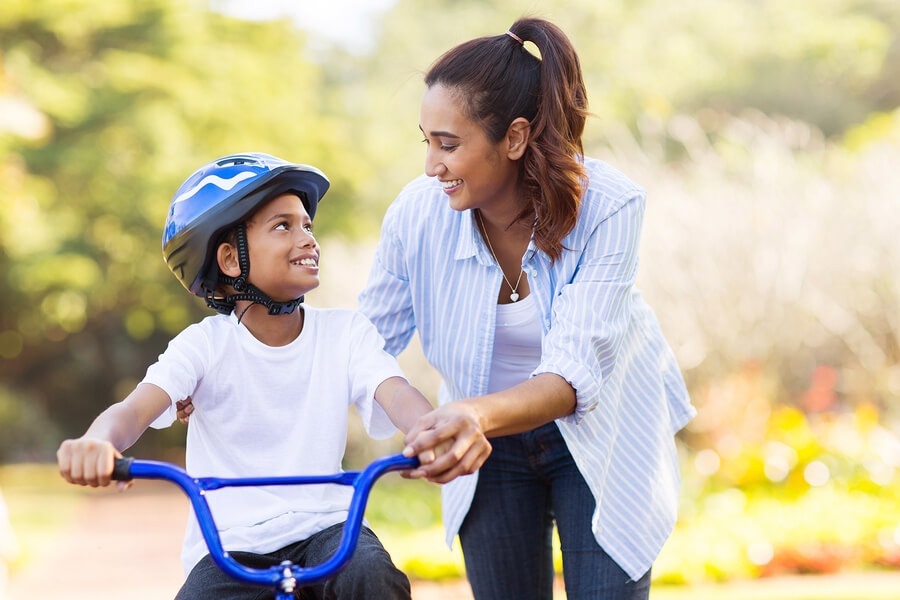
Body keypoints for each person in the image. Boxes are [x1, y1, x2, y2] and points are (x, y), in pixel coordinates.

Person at [358, 17, 698, 600]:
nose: (430, 166)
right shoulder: (416, 215)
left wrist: (471, 416)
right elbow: (361, 345)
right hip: (486, 448)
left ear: (513, 138)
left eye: (449, 144)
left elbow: (574, 374)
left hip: (602, 432)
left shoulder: (610, 208)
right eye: (427, 141)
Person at [56, 153, 443, 600]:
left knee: (373, 579)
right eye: (284, 226)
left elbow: (395, 393)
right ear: (230, 259)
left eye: (308, 225)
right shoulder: (202, 346)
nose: (308, 239)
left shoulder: (346, 332)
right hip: (230, 545)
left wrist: (430, 430)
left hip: (328, 529)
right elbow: (134, 410)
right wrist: (99, 442)